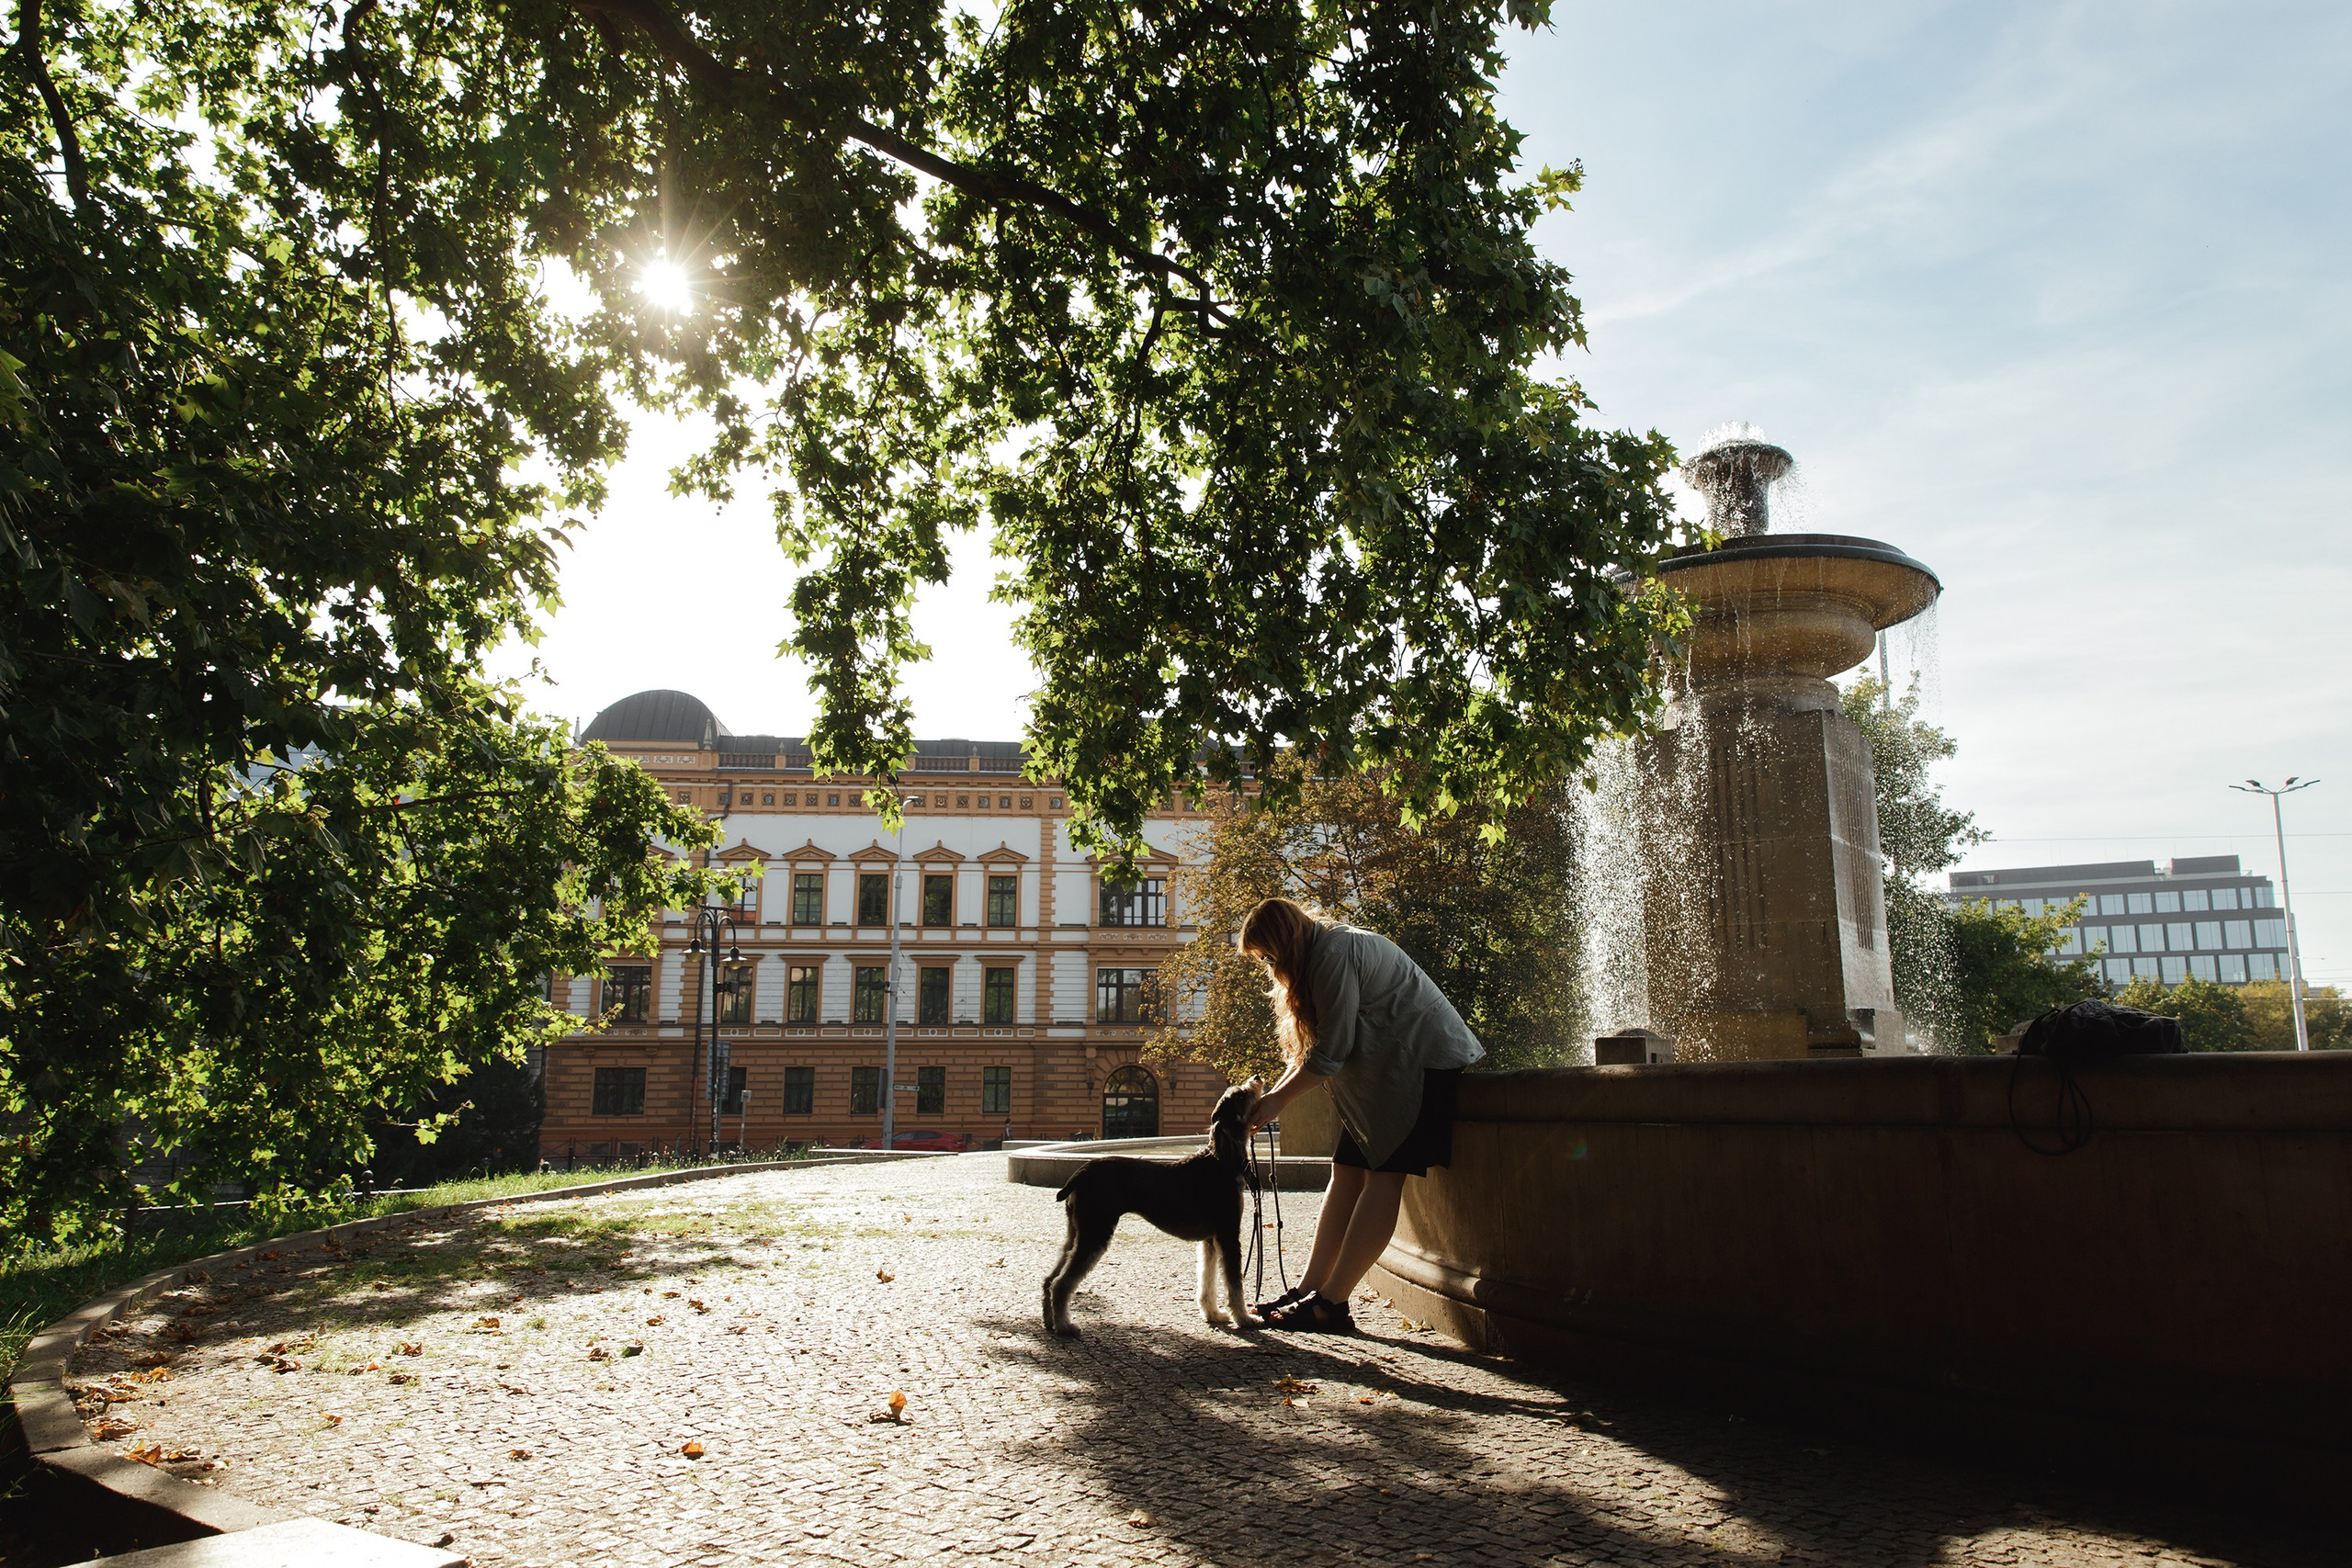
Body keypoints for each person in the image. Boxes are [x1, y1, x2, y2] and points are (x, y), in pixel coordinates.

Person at [1238, 897, 1483, 1331]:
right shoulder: (1325, 950)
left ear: (1284, 943)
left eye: (1269, 957)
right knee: (1347, 1171)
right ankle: (1310, 1290)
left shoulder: (1334, 953)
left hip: (1422, 1067)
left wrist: (1275, 1102)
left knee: (1385, 1176)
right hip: (1388, 1075)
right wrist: (1271, 1097)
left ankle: (1331, 1304)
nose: (1270, 969)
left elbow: (1331, 1052)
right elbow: (1314, 1053)